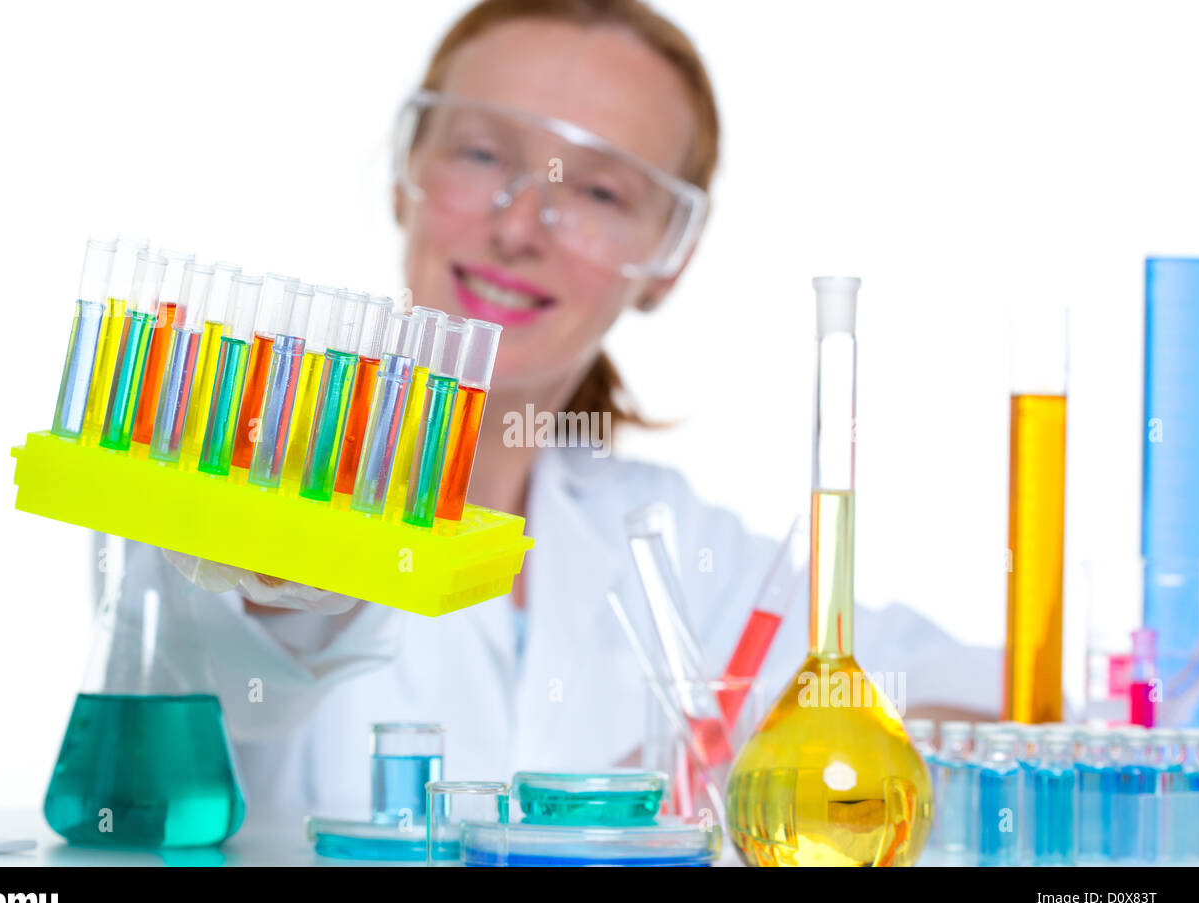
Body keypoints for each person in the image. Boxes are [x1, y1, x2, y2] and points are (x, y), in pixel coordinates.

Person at [115, 0, 998, 824]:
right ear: (404, 172)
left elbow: (989, 697)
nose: (521, 226)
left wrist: (744, 766)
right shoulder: (228, 450)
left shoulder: (676, 543)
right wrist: (286, 564)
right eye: (482, 154)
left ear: (668, 259)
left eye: (600, 193)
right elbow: (218, 669)